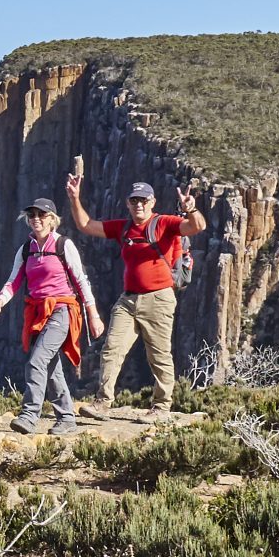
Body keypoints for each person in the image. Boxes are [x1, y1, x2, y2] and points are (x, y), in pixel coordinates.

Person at [66, 173, 206, 414]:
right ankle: (103, 401)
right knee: (111, 349)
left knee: (159, 354)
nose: (138, 204)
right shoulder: (123, 228)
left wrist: (191, 209)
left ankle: (161, 407)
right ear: (128, 203)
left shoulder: (164, 223)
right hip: (128, 299)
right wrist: (75, 198)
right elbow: (86, 225)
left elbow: (197, 227)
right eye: (134, 200)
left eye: (143, 200)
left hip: (159, 298)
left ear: (152, 202)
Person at [0, 198, 103, 435]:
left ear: (52, 220)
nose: (36, 219)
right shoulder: (26, 249)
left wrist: (93, 314)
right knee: (50, 366)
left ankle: (30, 415)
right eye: (32, 215)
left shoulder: (63, 245)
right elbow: (14, 281)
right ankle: (67, 417)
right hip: (38, 312)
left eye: (41, 215)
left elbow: (81, 280)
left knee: (37, 361)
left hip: (62, 310)